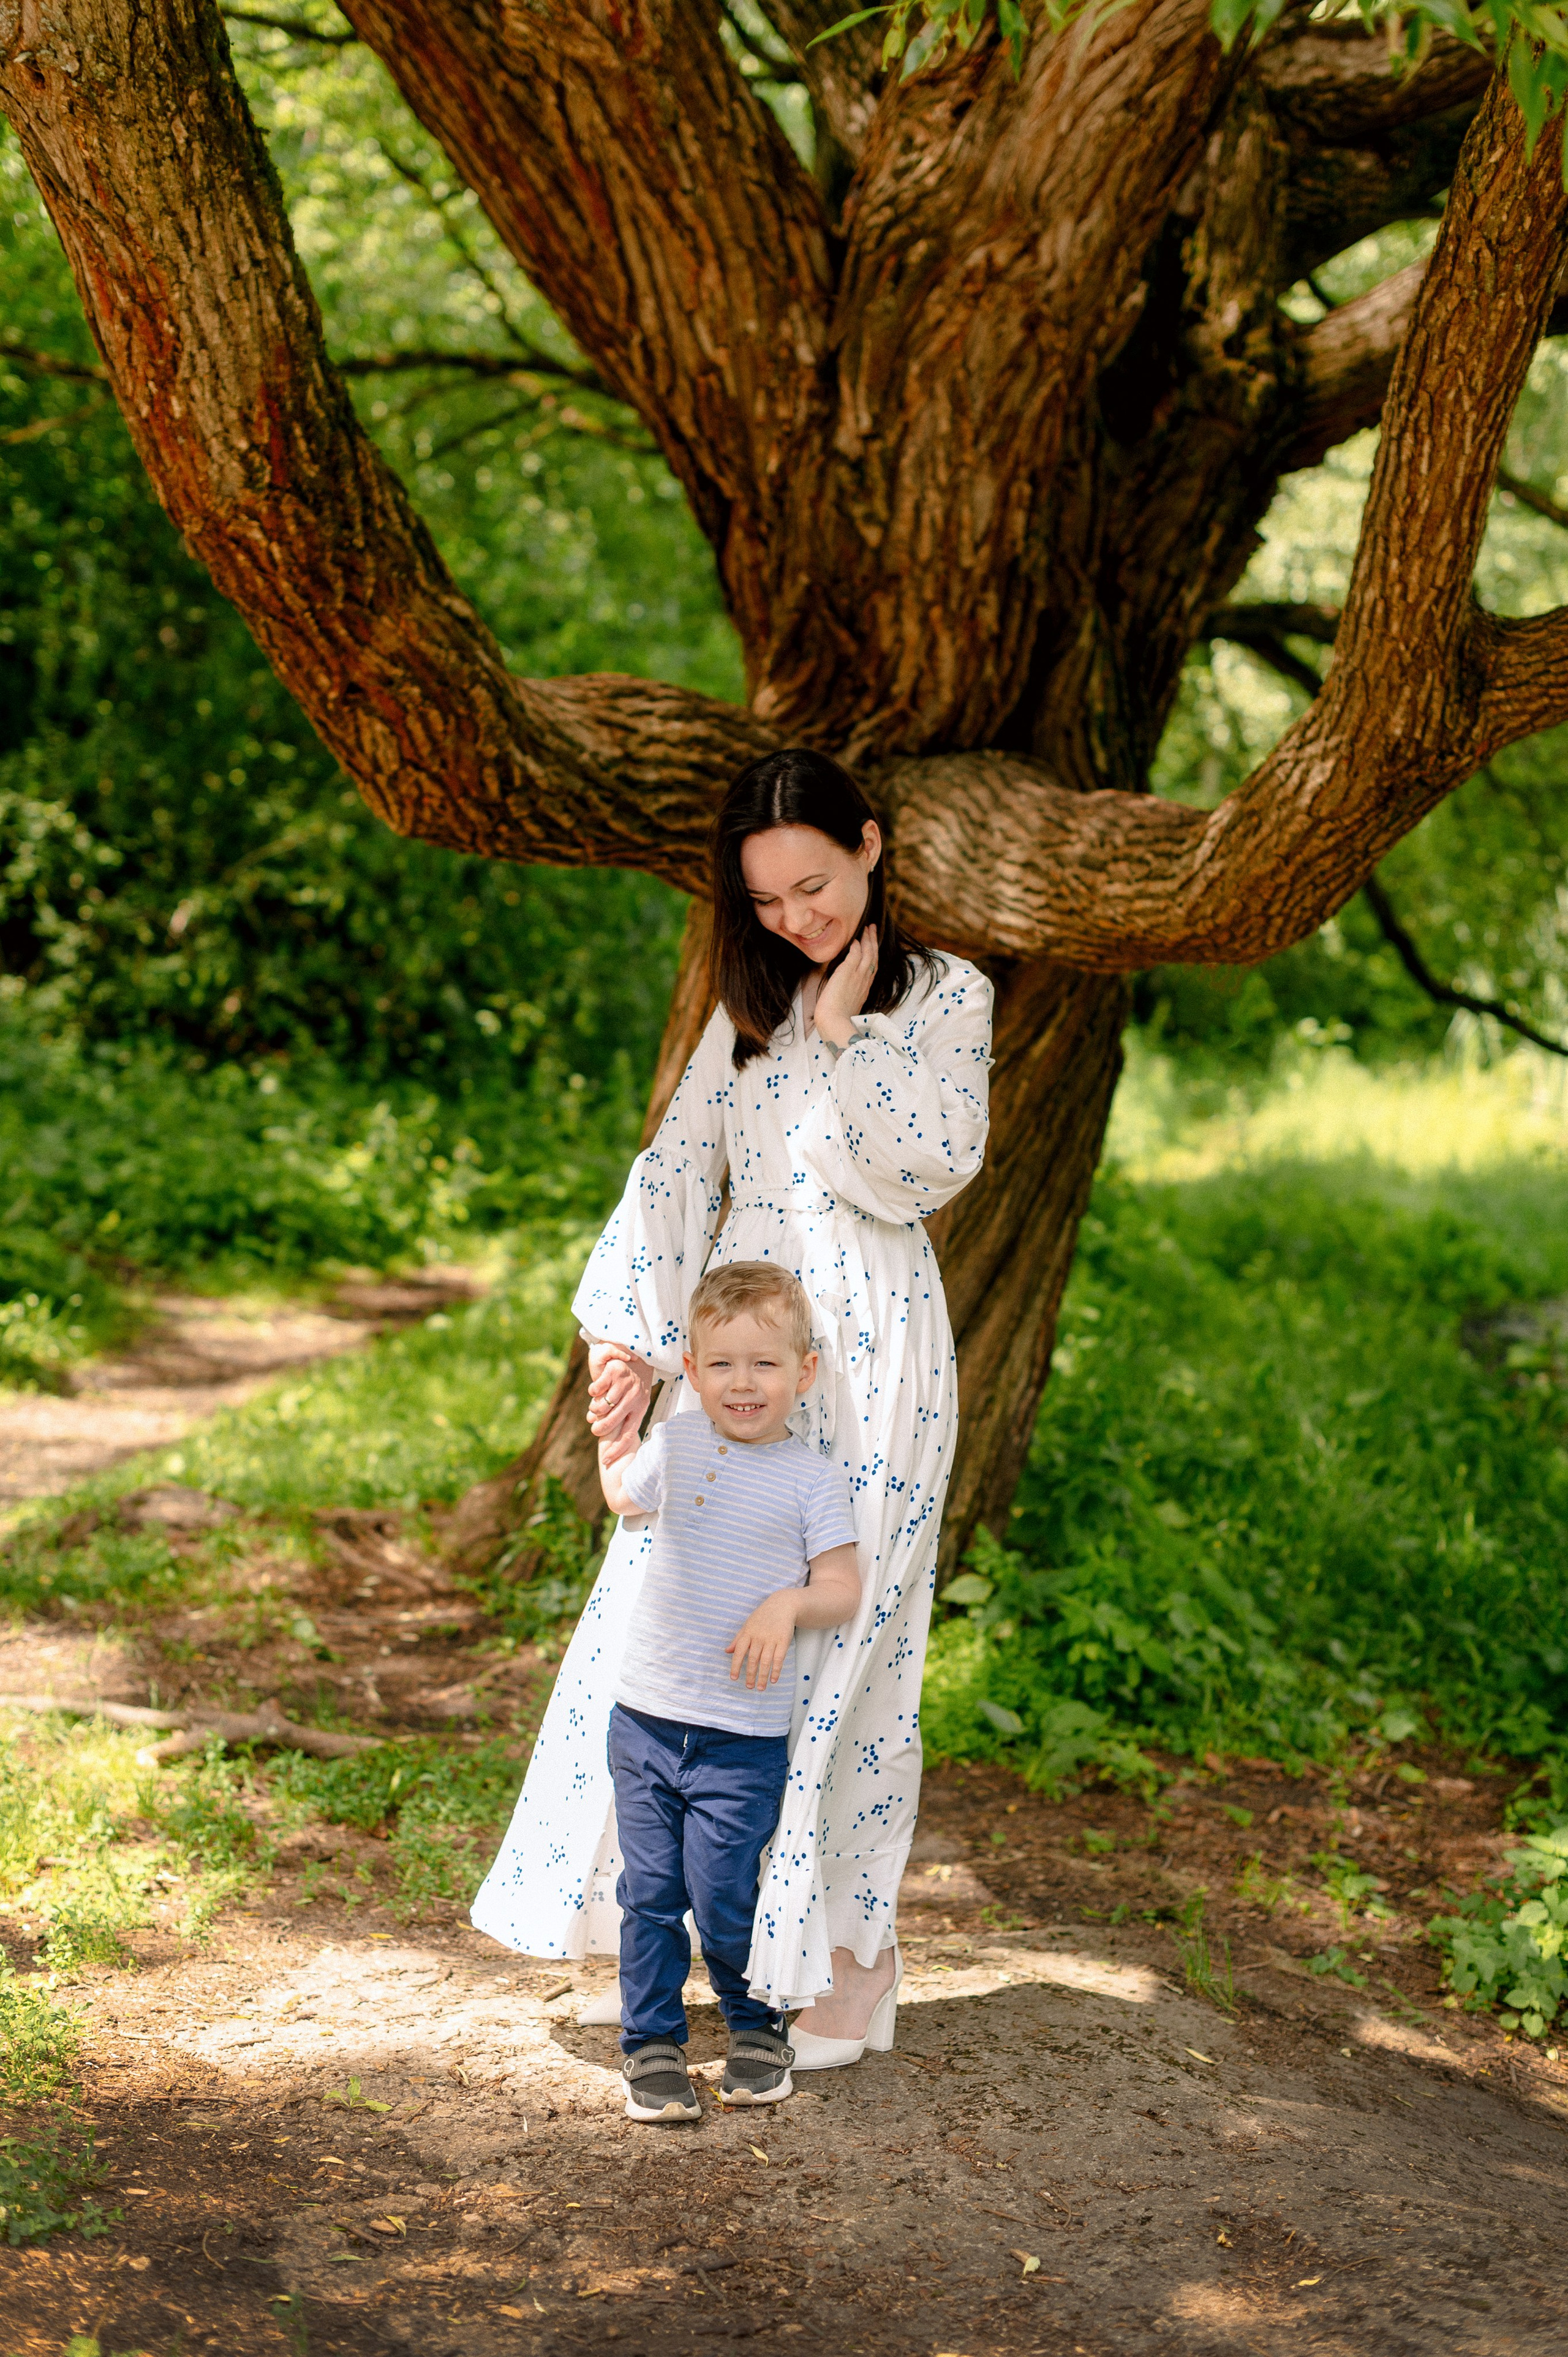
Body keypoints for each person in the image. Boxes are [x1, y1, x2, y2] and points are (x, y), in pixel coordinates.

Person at [471, 745, 993, 2067]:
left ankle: (853, 1962)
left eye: (812, 886)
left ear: (869, 846)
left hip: (871, 1352)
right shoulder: (745, 1004)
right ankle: (681, 1932)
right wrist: (631, 1338)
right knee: (676, 1625)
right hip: (739, 1347)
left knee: (842, 1639)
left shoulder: (943, 996)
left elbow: (921, 1170)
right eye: (765, 902)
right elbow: (675, 1165)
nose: (795, 921)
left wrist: (839, 1043)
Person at [598, 1261, 861, 2122]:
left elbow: (844, 1589)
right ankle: (652, 2044)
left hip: (739, 1738)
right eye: (721, 1366)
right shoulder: (675, 1446)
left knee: (722, 1891)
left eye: (765, 1365)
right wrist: (617, 1427)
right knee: (650, 1893)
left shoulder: (811, 1477)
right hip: (644, 1720)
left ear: (804, 1374)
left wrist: (787, 1603)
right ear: (694, 1369)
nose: (742, 1385)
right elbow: (620, 1498)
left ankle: (754, 2027)